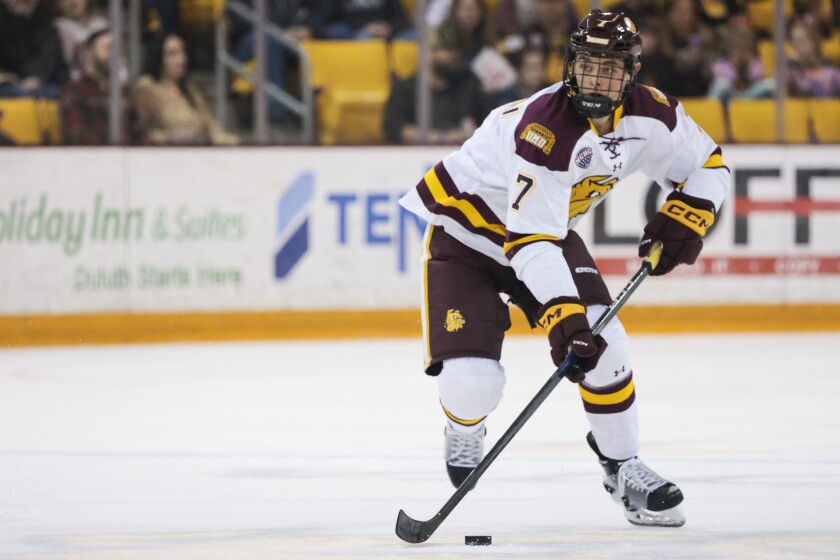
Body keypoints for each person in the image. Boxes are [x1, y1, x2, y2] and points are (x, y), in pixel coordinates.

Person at [399, 9, 730, 527]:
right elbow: (529, 242)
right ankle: (463, 425)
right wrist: (563, 317)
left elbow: (708, 165)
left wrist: (689, 213)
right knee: (474, 384)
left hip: (544, 232)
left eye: (609, 69)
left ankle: (623, 468)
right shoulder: (545, 128)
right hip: (466, 236)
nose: (595, 79)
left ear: (632, 73)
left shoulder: (655, 116)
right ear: (570, 65)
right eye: (586, 65)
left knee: (606, 342)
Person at [134, 33, 238, 145]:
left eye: (182, 52)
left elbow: (210, 126)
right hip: (166, 151)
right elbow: (142, 133)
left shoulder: (188, 88)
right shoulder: (146, 87)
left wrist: (235, 143)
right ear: (158, 57)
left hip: (198, 149)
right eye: (173, 54)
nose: (181, 59)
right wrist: (170, 137)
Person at [382, 38, 491, 144]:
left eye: (454, 49)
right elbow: (394, 129)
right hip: (421, 152)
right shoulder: (405, 88)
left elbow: (486, 124)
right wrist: (443, 137)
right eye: (446, 49)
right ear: (427, 54)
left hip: (463, 150)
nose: (453, 54)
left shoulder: (466, 86)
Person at [60, 28, 133, 145]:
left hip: (128, 155)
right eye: (108, 48)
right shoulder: (74, 91)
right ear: (90, 52)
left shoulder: (124, 92)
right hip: (92, 154)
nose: (113, 55)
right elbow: (75, 134)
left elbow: (138, 131)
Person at [0, 0, 69, 98]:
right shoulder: (4, 18)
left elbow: (49, 58)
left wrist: (38, 78)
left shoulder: (44, 21)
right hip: (9, 86)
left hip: (43, 86)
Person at [54, 0, 109, 81]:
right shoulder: (57, 28)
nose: (73, 2)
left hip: (105, 80)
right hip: (73, 81)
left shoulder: (101, 25)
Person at [787, 19, 840, 98]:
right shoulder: (792, 73)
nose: (796, 46)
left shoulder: (832, 74)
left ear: (814, 43)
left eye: (801, 41)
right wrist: (789, 63)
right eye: (794, 41)